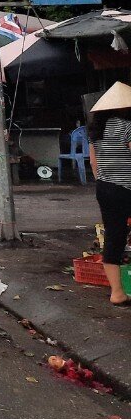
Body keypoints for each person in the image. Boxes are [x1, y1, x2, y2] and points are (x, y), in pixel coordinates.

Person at [88, 82, 131, 307]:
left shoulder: (96, 131)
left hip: (104, 188)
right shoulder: (127, 127)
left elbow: (94, 164)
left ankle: (117, 292)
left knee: (114, 237)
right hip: (127, 188)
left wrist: (104, 181)